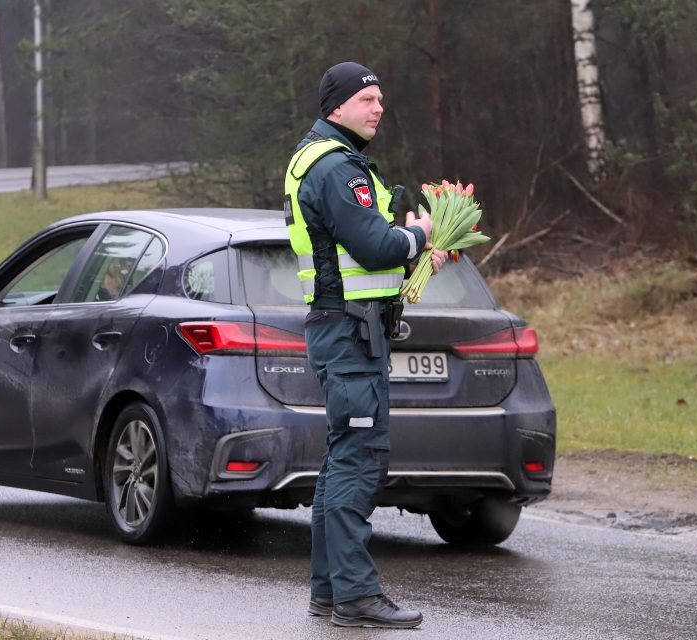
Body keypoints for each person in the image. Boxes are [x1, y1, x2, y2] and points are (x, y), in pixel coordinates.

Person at [284, 61, 446, 628]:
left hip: (349, 328)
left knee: (340, 462)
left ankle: (329, 592)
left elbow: (367, 257)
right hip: (349, 334)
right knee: (358, 461)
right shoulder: (335, 168)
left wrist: (420, 254)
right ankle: (356, 594)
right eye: (368, 98)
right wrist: (421, 233)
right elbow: (377, 245)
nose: (379, 107)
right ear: (337, 106)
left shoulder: (326, 160)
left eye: (380, 98)